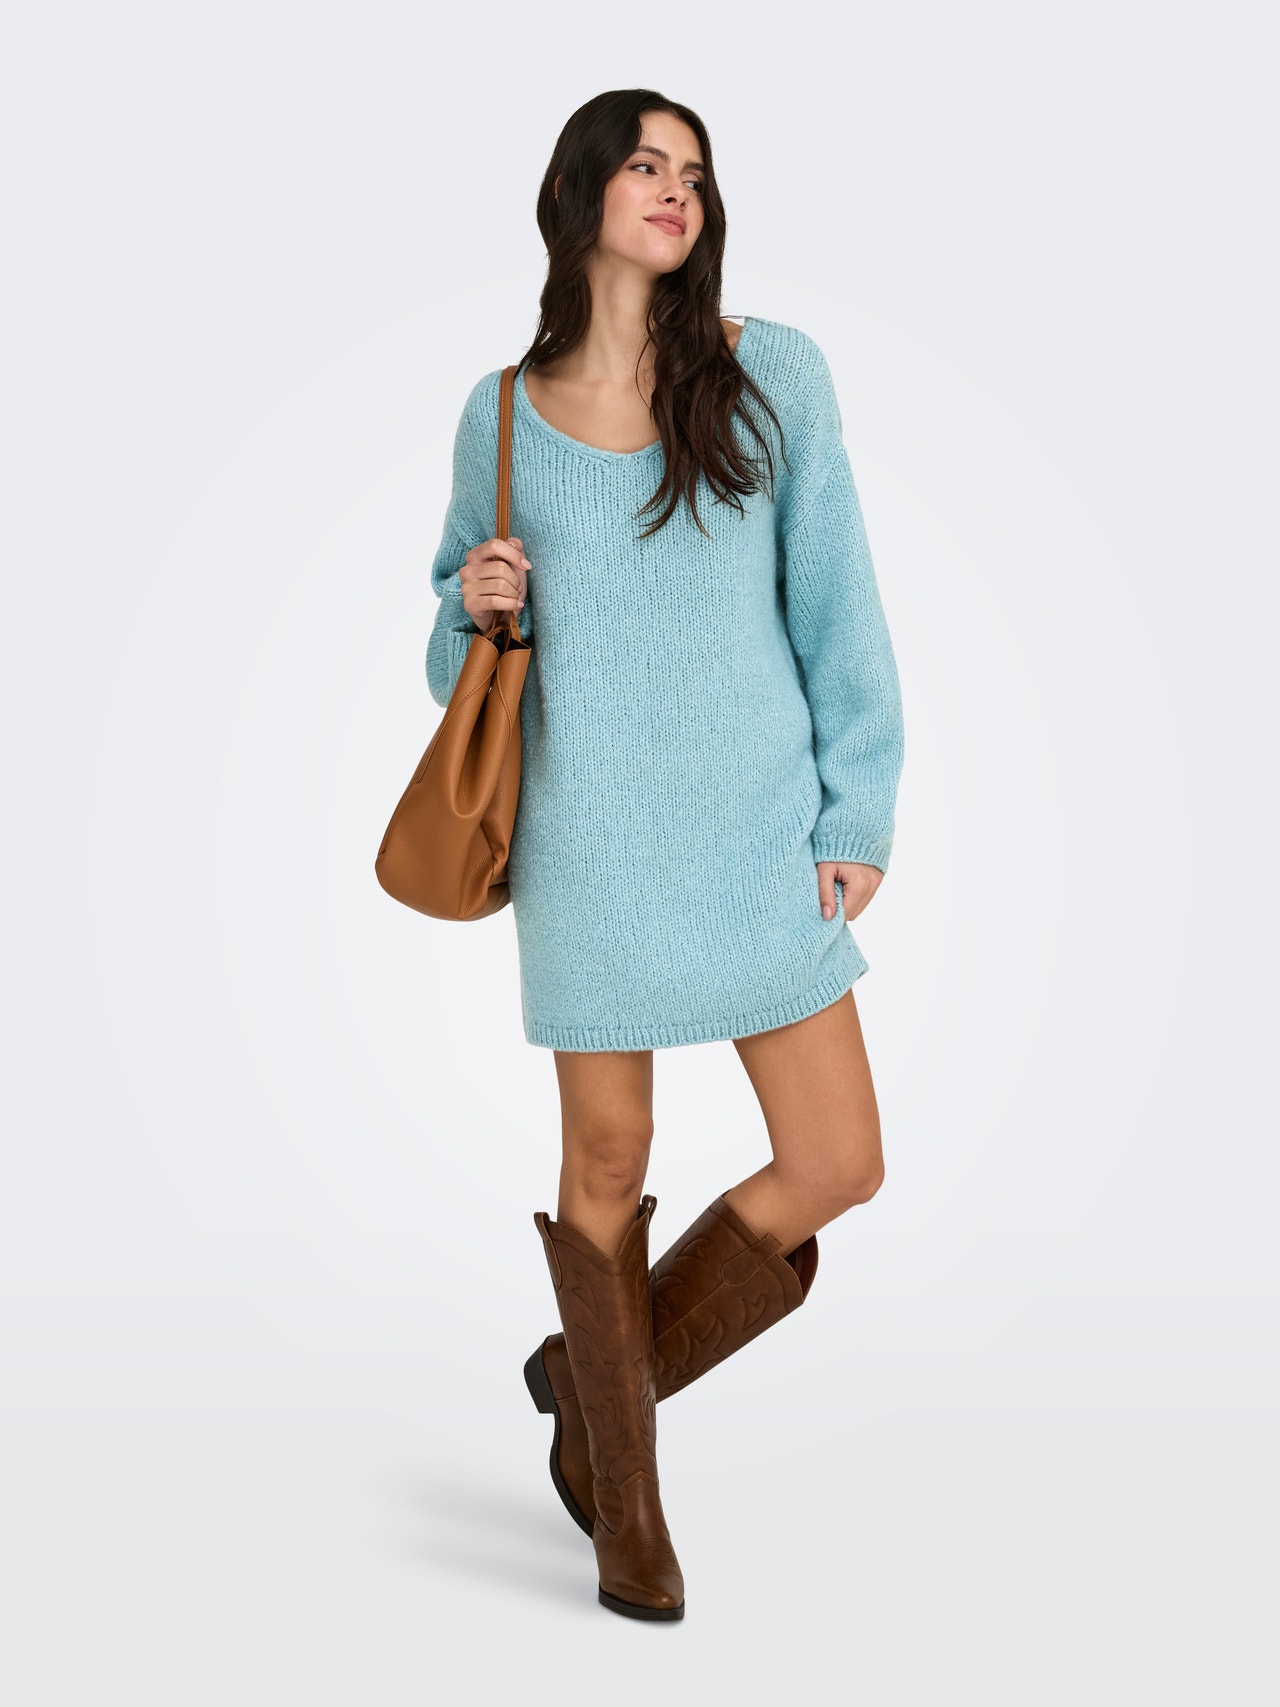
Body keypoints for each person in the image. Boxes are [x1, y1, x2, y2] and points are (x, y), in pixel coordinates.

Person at [424, 89, 905, 1622]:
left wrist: (856, 811)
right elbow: (456, 664)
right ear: (580, 196)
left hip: (757, 837)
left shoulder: (774, 375)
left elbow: (838, 597)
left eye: (693, 171)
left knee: (839, 1161)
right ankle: (627, 1509)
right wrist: (475, 604)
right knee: (608, 1163)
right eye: (645, 165)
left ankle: (592, 1384)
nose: (675, 189)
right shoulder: (501, 417)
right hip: (586, 845)